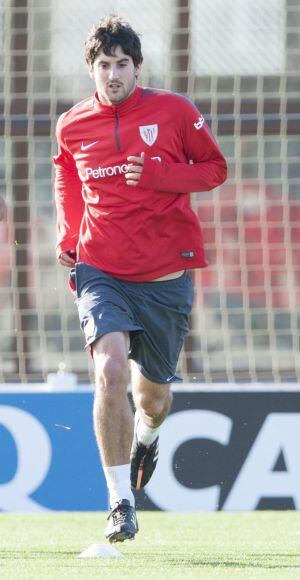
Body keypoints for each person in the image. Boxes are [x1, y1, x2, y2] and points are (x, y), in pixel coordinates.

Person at [53, 14, 227, 543]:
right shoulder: (72, 124)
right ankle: (119, 503)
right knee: (108, 372)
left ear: (137, 66)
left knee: (152, 399)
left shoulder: (173, 111)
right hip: (100, 268)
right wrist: (68, 236)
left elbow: (214, 169)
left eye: (121, 64)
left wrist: (157, 175)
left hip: (164, 276)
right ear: (92, 70)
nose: (112, 75)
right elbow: (66, 174)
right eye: (103, 65)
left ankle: (146, 439)